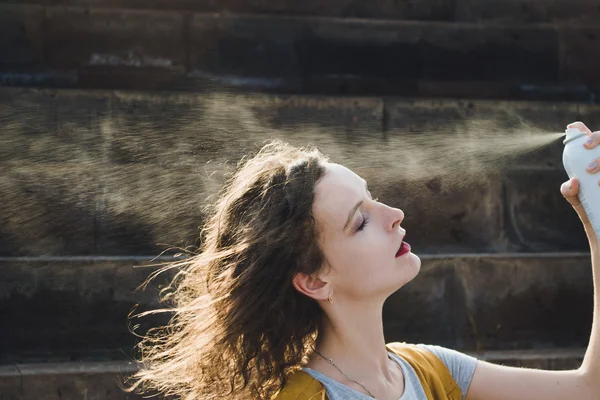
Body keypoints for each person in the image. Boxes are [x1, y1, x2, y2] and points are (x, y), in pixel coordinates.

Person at [125, 121, 600, 400]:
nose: (395, 215)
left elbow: (587, 388)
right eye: (360, 221)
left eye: (373, 199)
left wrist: (596, 230)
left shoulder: (429, 370)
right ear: (314, 281)